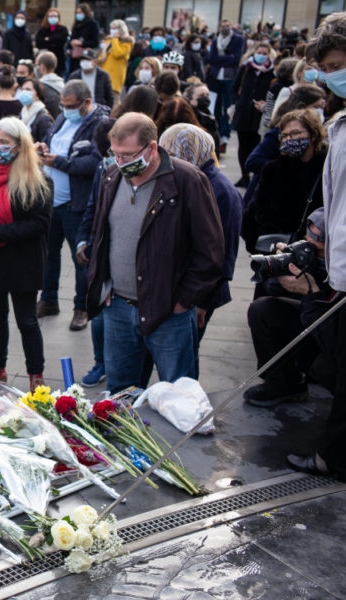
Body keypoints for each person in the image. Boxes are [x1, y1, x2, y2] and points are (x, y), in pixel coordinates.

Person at [86, 113, 224, 391]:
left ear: (151, 148)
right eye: (115, 154)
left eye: (127, 155)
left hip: (169, 312)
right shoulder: (112, 176)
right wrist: (103, 282)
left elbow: (211, 250)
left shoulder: (187, 180)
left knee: (178, 395)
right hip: (118, 309)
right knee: (120, 395)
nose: (120, 162)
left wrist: (184, 301)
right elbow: (101, 233)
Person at [284, 9, 346, 481]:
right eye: (324, 67)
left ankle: (335, 456)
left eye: (336, 64)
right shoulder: (340, 122)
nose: (329, 74)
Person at [0, 117, 53, 391]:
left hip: (22, 260)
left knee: (27, 320)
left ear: (19, 146)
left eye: (4, 143)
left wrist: (1, 231)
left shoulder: (38, 180)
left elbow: (40, 224)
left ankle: (36, 376)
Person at [157, 124, 242, 376]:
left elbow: (223, 256)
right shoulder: (186, 179)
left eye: (173, 151)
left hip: (200, 293)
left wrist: (201, 303)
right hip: (180, 285)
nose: (167, 158)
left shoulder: (222, 191)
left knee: (185, 355)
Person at [35, 80, 109, 331]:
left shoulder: (99, 124)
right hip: (51, 200)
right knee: (47, 253)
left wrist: (60, 162)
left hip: (76, 203)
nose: (65, 109)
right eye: (62, 105)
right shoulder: (62, 119)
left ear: (86, 103)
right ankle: (48, 299)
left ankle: (82, 307)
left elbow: (95, 163)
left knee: (81, 259)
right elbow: (49, 138)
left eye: (70, 106)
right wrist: (42, 147)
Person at [246, 209, 332, 407]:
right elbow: (272, 288)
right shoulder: (310, 261)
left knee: (324, 367)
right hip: (315, 322)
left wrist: (313, 292)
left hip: (333, 337)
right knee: (262, 310)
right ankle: (283, 383)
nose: (310, 253)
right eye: (306, 244)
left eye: (317, 251)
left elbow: (331, 334)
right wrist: (287, 261)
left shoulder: (339, 271)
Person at [244, 109, 327, 253]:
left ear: (313, 135)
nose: (289, 139)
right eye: (285, 136)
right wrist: (260, 248)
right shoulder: (274, 170)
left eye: (295, 133)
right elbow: (252, 216)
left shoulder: (327, 169)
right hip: (276, 254)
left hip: (316, 254)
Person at [231, 42, 275, 187]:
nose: (261, 55)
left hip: (259, 115)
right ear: (254, 52)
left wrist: (265, 105)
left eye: (265, 53)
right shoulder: (246, 68)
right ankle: (244, 175)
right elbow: (234, 87)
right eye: (259, 52)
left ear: (269, 55)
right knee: (243, 145)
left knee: (256, 144)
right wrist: (237, 102)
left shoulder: (272, 72)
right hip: (244, 112)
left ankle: (253, 174)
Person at [208, 19, 246, 153]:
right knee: (216, 107)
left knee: (227, 107)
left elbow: (236, 59)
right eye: (223, 26)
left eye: (227, 26)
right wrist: (227, 58)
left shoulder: (238, 39)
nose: (225, 28)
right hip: (216, 77)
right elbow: (212, 59)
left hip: (230, 77)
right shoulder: (215, 40)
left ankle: (225, 135)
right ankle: (218, 133)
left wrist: (222, 59)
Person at [100, 20, 133, 98]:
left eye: (115, 28)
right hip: (105, 71)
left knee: (114, 98)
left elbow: (117, 53)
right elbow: (102, 54)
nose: (112, 30)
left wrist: (115, 39)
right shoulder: (108, 40)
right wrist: (100, 59)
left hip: (116, 76)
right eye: (111, 28)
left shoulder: (127, 42)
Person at [18, 77, 54, 143]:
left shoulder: (44, 118)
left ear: (37, 94)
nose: (24, 92)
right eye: (23, 89)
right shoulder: (23, 112)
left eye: (28, 89)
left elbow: (46, 143)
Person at [35, 8, 69, 77]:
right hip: (45, 61)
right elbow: (39, 43)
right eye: (51, 16)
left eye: (55, 16)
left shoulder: (63, 29)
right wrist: (53, 40)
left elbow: (62, 40)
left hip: (59, 61)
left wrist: (48, 39)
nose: (53, 18)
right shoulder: (42, 30)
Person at [68, 3, 101, 72]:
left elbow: (95, 42)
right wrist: (70, 45)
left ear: (85, 13)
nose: (78, 14)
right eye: (77, 13)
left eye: (80, 12)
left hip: (86, 57)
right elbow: (72, 38)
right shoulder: (76, 24)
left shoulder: (93, 24)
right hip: (74, 57)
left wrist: (81, 43)